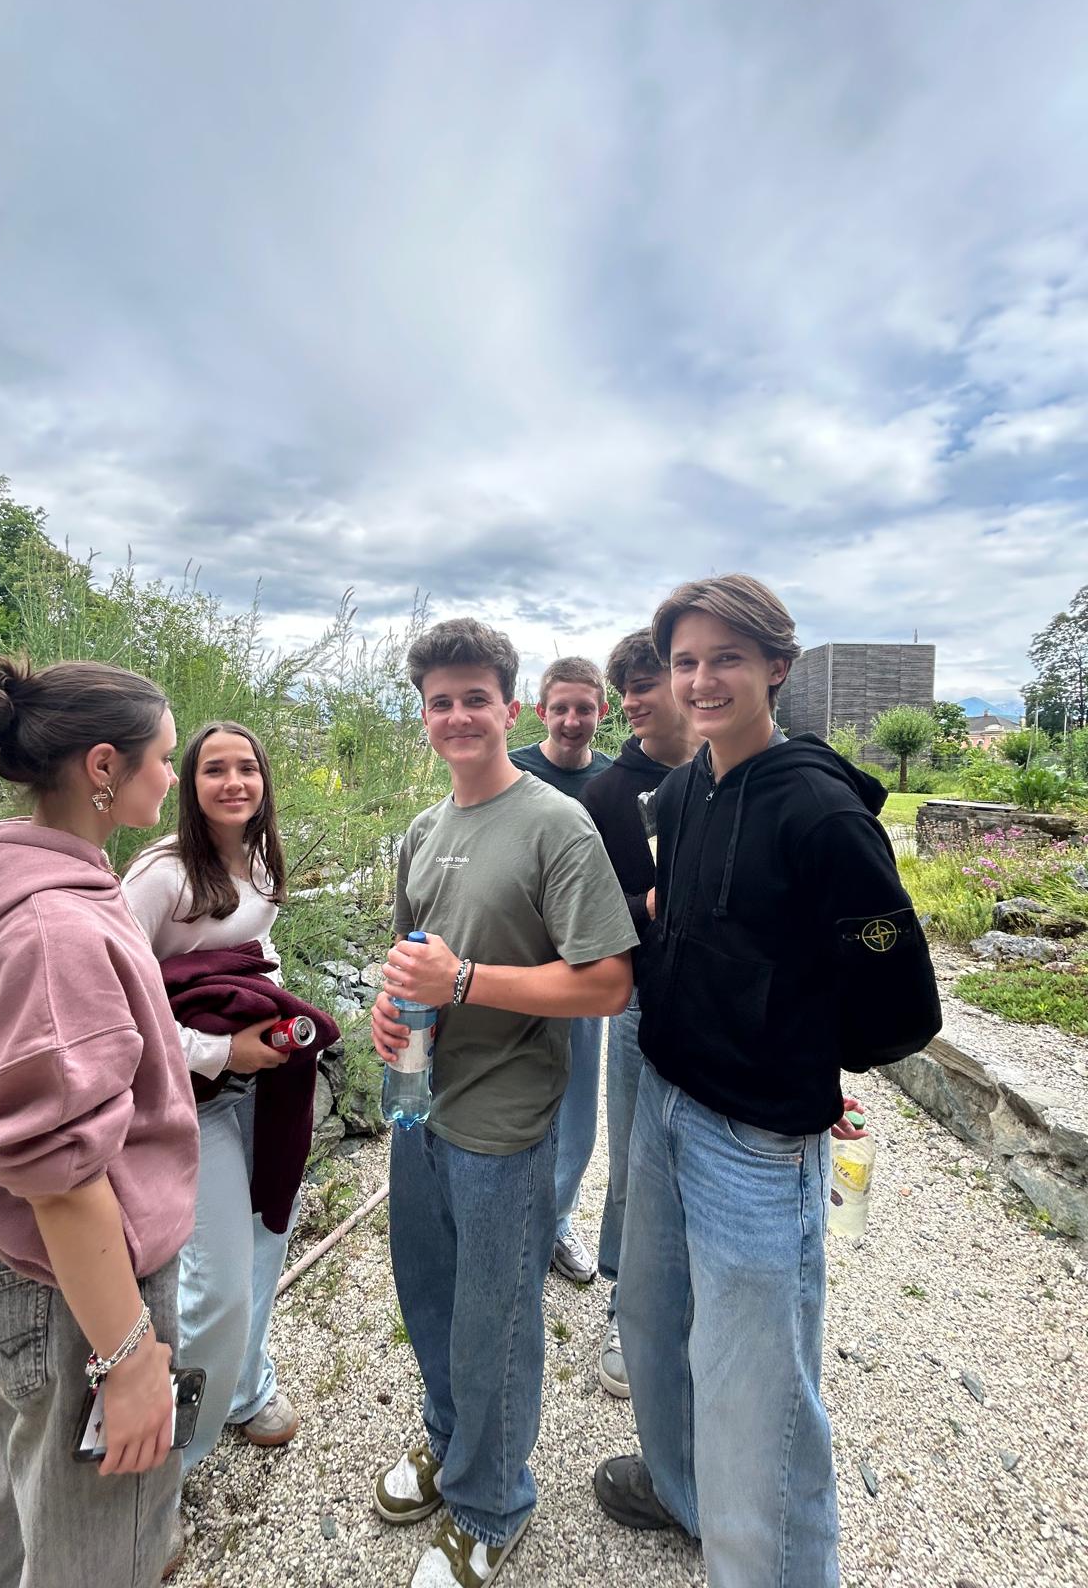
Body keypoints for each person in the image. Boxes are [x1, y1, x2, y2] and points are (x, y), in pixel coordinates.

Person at [593, 576, 941, 1588]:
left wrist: (800, 1051)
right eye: (686, 662)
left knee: (757, 1394)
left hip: (754, 1143)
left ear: (776, 667)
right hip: (664, 1102)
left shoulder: (824, 815)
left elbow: (901, 1009)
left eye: (726, 659)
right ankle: (684, 1491)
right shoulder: (684, 791)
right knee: (652, 1323)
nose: (701, 680)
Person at [0, 657, 198, 1588]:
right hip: (73, 1283)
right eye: (165, 758)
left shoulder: (36, 885)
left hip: (28, 1265)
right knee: (96, 1547)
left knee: (23, 1495)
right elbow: (61, 1174)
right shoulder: (56, 930)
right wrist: (130, 1357)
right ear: (104, 767)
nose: (174, 778)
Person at [371, 619, 636, 1588]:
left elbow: (607, 982)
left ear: (508, 707)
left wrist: (466, 980)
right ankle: (451, 1441)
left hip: (505, 1123)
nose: (457, 716)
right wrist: (387, 1011)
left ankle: (492, 1503)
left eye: (474, 698)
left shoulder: (556, 826)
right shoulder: (423, 830)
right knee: (430, 1296)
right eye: (439, 701)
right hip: (420, 1110)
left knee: (496, 1320)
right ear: (424, 715)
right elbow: (411, 960)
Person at [122, 722, 306, 1479]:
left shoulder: (259, 861)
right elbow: (120, 1006)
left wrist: (270, 1011)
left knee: (266, 1241)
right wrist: (222, 1050)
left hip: (260, 1087)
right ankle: (173, 1460)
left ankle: (245, 1389)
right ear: (189, 785)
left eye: (247, 768)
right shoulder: (161, 877)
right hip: (188, 1100)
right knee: (217, 1286)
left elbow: (261, 954)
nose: (234, 782)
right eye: (214, 769)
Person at [579, 629, 697, 1396]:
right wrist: (648, 902)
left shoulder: (735, 771)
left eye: (644, 684)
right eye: (625, 689)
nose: (631, 702)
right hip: (642, 1001)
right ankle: (627, 1301)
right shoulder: (608, 795)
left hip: (725, 1007)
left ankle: (692, 1305)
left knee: (705, 1160)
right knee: (631, 1161)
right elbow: (589, 917)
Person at [508, 656, 613, 1284]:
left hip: (582, 969)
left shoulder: (613, 782)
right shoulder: (513, 770)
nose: (572, 720)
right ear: (541, 710)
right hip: (512, 962)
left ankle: (555, 1222)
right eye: (561, 708)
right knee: (507, 1097)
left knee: (576, 1111)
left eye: (585, 708)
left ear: (603, 711)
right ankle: (508, 1218)